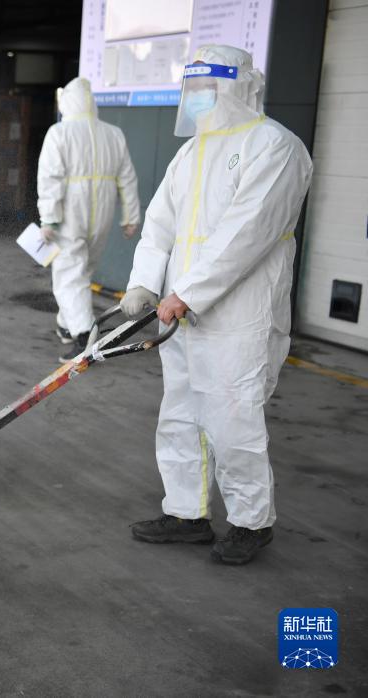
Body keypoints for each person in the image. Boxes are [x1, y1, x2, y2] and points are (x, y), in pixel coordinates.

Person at [120, 45, 313, 565]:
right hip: (179, 313)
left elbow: (245, 235)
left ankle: (252, 521)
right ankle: (187, 513)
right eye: (195, 88)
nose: (200, 98)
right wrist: (142, 284)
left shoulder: (275, 146)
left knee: (231, 418)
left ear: (239, 87)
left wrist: (187, 293)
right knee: (180, 413)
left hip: (239, 314)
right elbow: (159, 223)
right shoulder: (191, 152)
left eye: (210, 87)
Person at [37, 77, 141, 362]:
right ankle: (66, 325)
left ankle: (84, 336)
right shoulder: (113, 133)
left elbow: (50, 178)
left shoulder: (59, 132)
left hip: (71, 213)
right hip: (102, 213)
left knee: (69, 276)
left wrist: (49, 218)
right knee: (82, 273)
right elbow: (127, 177)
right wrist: (131, 216)